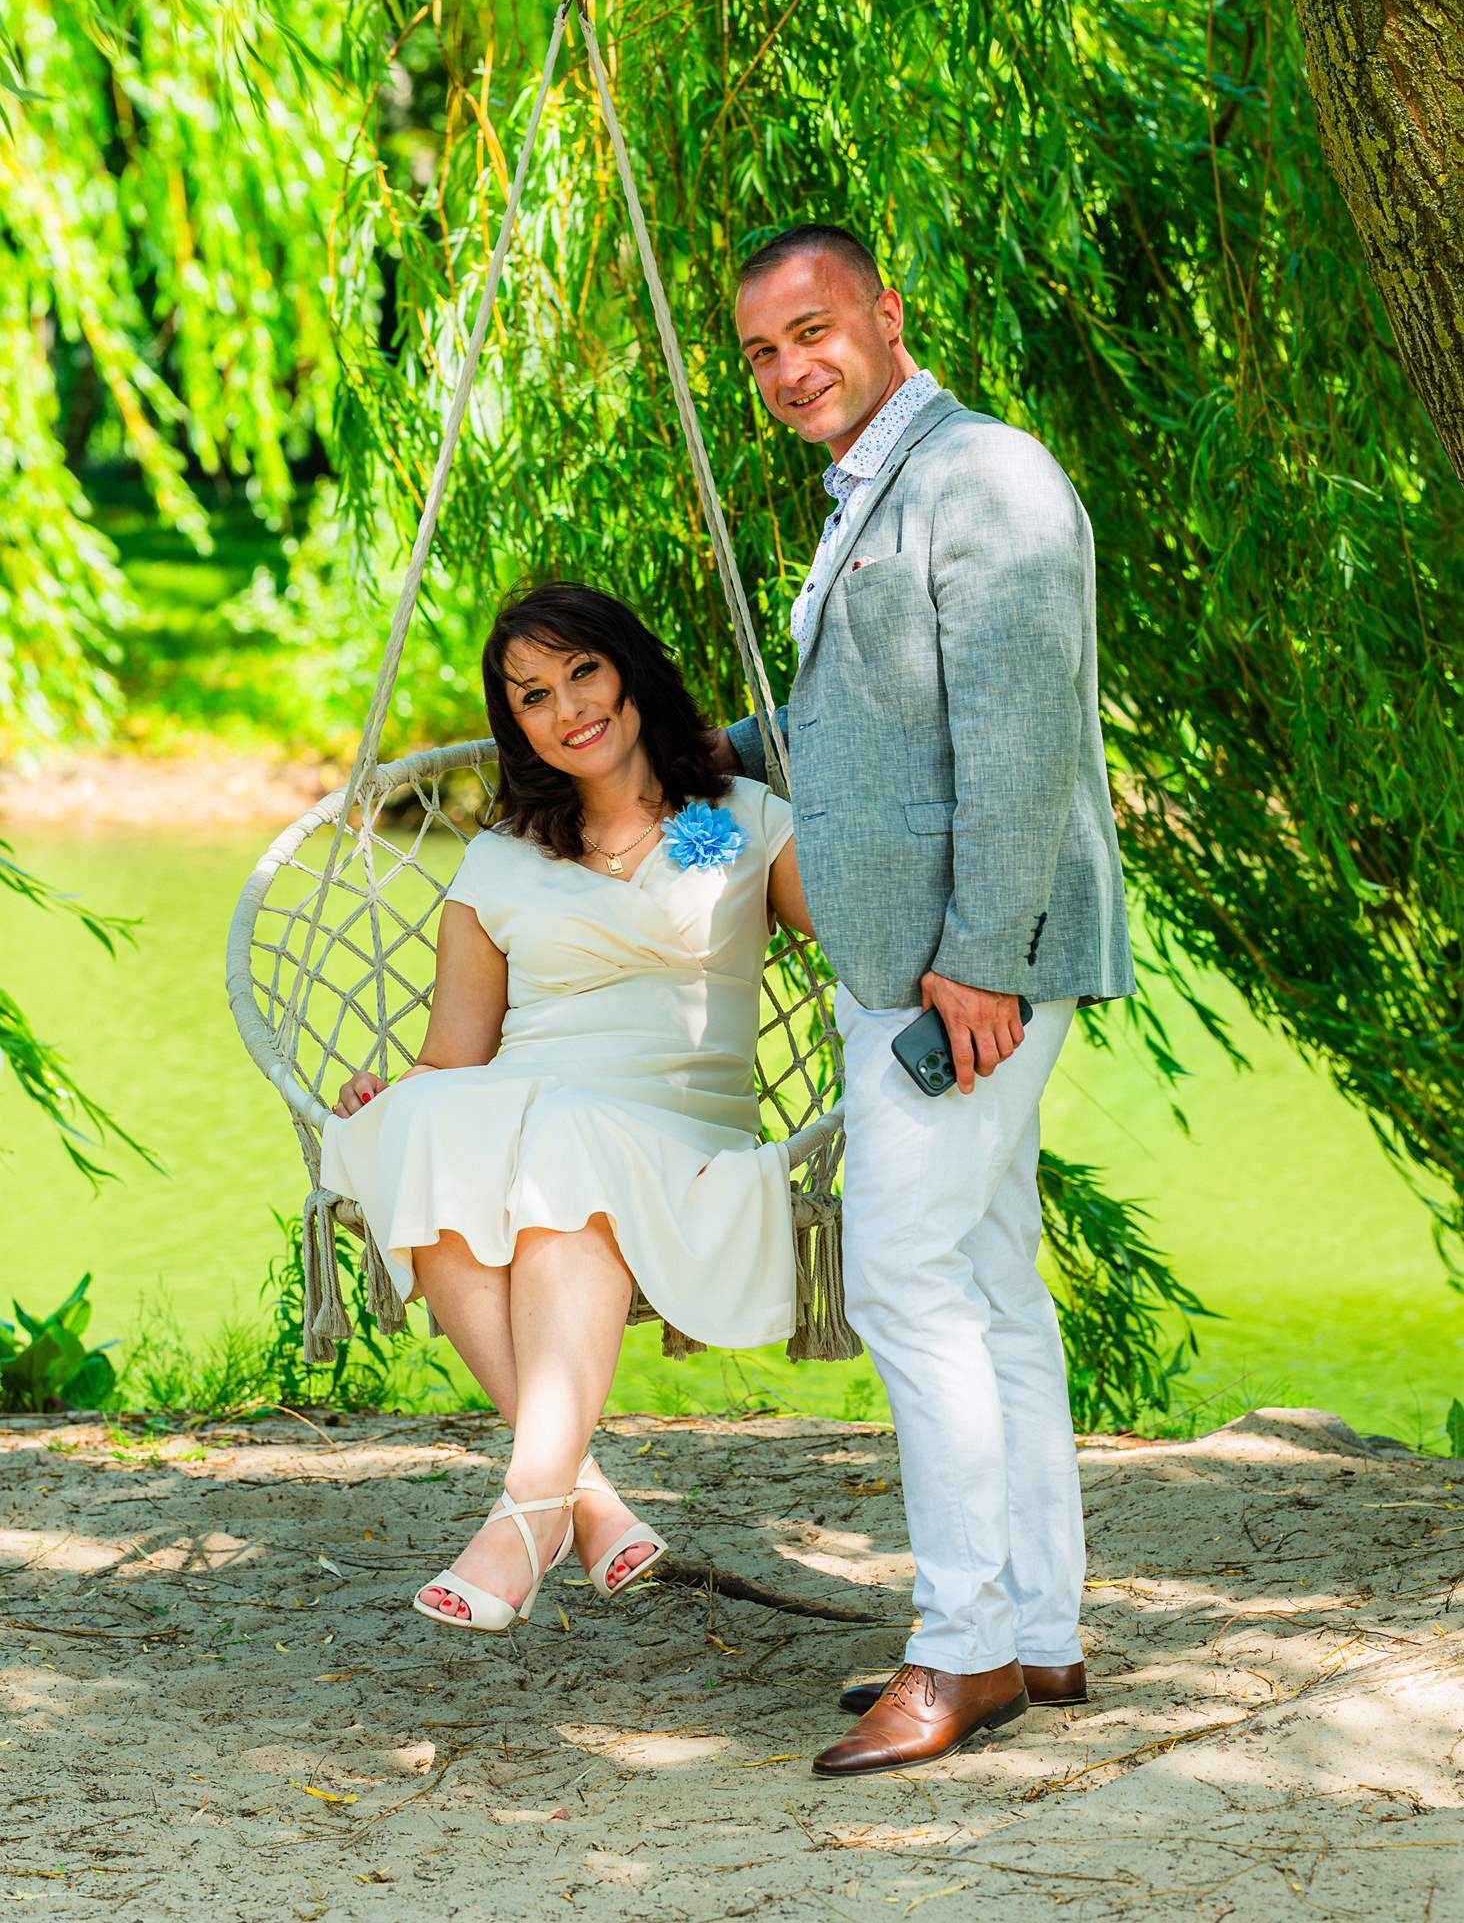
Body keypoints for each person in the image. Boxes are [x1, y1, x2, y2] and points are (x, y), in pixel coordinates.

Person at [720, 223, 1134, 1776]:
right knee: (990, 1280)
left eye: (813, 332)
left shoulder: (986, 480)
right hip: (933, 962)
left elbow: (1018, 742)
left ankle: (959, 1651)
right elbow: (874, 721)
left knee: (900, 1279)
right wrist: (701, 753)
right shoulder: (878, 487)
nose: (789, 370)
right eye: (761, 352)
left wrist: (981, 960)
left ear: (886, 315)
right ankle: (1040, 1628)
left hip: (963, 976)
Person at [323, 582, 812, 1634]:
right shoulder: (500, 858)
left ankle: (535, 1510)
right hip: (537, 1108)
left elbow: (866, 945)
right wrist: (390, 1096)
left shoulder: (743, 821)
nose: (568, 707)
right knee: (427, 1123)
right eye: (533, 695)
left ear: (630, 669)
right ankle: (572, 1500)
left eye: (583, 671)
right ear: (518, 726)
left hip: (675, 1119)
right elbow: (451, 1059)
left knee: (564, 1137)